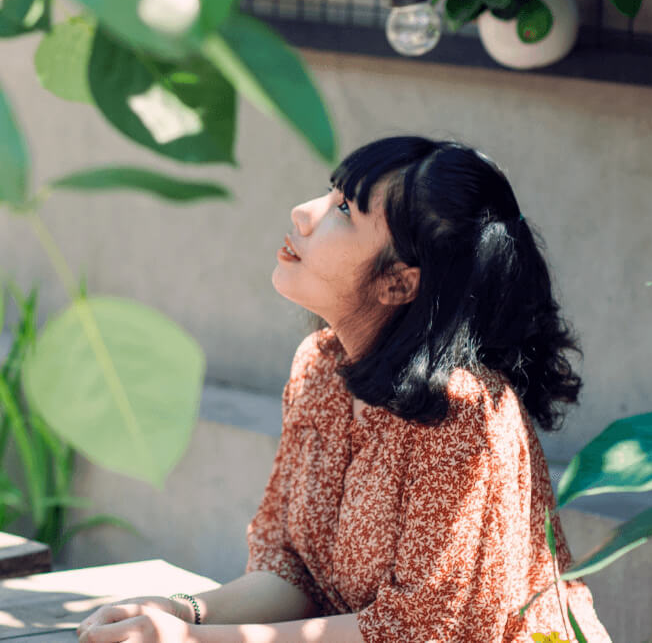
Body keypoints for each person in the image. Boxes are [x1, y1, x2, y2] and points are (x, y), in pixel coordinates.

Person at [76, 136, 611, 642]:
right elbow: (292, 574)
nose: (303, 213)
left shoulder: (464, 414)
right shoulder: (319, 367)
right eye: (330, 193)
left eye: (344, 211)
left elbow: (415, 633)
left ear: (398, 282)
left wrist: (194, 639)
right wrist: (176, 611)